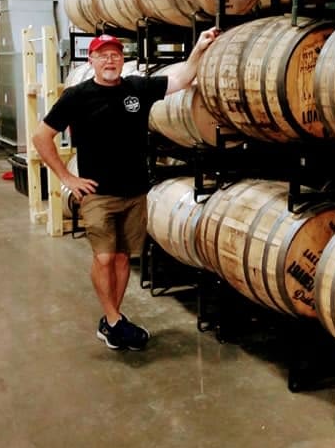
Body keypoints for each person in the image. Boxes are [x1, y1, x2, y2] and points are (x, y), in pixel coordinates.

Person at [32, 28, 219, 351]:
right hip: (98, 195)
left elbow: (184, 79)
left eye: (115, 54)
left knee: (121, 259)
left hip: (135, 192)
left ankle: (112, 320)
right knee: (104, 258)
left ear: (123, 60)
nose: (109, 59)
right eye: (102, 54)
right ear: (91, 60)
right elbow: (40, 137)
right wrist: (67, 178)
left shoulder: (138, 88)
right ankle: (115, 322)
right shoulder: (76, 97)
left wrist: (200, 47)